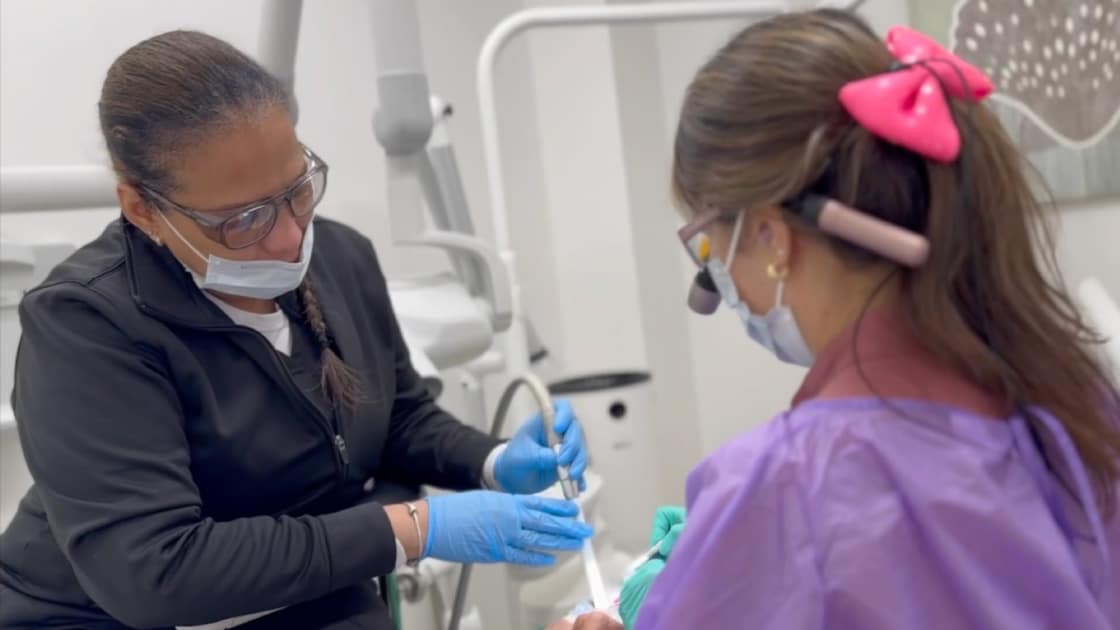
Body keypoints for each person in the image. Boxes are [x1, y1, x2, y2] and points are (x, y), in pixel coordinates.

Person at [0, 30, 593, 630]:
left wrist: (492, 461)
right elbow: (157, 573)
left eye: (297, 190)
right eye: (244, 219)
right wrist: (414, 529)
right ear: (143, 209)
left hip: (299, 594)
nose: (289, 238)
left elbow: (397, 418)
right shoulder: (86, 326)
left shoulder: (340, 258)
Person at [554, 8, 1120, 630]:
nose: (716, 281)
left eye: (711, 248)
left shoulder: (790, 484)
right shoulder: (1080, 410)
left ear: (770, 236)